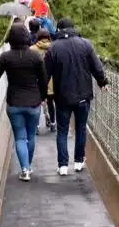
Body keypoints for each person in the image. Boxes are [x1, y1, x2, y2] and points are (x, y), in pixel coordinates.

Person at [0, 21, 47, 182]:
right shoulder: (36, 56)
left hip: (14, 103)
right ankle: (29, 165)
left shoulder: (5, 57)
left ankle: (25, 169)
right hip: (34, 103)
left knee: (20, 137)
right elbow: (43, 80)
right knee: (30, 137)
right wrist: (43, 98)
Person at [43, 17, 108, 176]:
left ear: (58, 30)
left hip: (63, 97)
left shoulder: (53, 48)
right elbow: (96, 66)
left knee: (62, 131)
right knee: (81, 128)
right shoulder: (86, 44)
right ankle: (79, 162)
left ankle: (63, 165)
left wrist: (41, 93)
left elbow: (45, 74)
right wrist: (103, 81)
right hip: (83, 96)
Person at [30, 27, 56, 131]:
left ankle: (36, 126)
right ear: (49, 37)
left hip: (36, 81)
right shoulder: (54, 48)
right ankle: (53, 124)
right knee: (50, 103)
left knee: (36, 104)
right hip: (51, 82)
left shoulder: (32, 49)